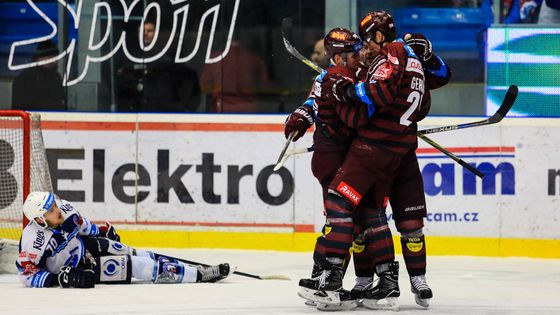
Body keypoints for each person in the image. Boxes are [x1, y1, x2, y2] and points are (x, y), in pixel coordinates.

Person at [295, 11, 451, 310]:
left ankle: (334, 280)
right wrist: (308, 109)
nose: (364, 48)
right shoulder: (397, 57)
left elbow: (376, 95)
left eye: (367, 40)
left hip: (375, 148)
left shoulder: (388, 56)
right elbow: (430, 90)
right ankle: (374, 282)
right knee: (372, 213)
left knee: (346, 207)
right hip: (398, 146)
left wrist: (347, 92)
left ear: (378, 36)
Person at [16, 192, 230, 288]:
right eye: (50, 210)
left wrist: (100, 231)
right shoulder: (34, 241)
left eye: (54, 205)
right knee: (138, 266)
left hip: (83, 246)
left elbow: (82, 225)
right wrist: (60, 279)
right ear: (39, 219)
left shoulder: (65, 209)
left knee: (133, 252)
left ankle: (189, 267)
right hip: (79, 268)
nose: (57, 210)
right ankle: (199, 275)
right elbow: (26, 274)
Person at [116, 21, 201, 112]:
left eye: (150, 31)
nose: (145, 34)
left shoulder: (165, 62)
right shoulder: (129, 59)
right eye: (142, 31)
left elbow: (189, 98)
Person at [200, 39, 272, 113]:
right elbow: (266, 87)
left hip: (221, 108)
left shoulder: (215, 58)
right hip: (249, 108)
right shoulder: (254, 59)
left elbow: (203, 85)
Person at [11, 40, 66, 111]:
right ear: (38, 58)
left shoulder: (56, 78)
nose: (51, 60)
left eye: (54, 56)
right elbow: (20, 108)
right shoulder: (26, 78)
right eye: (47, 56)